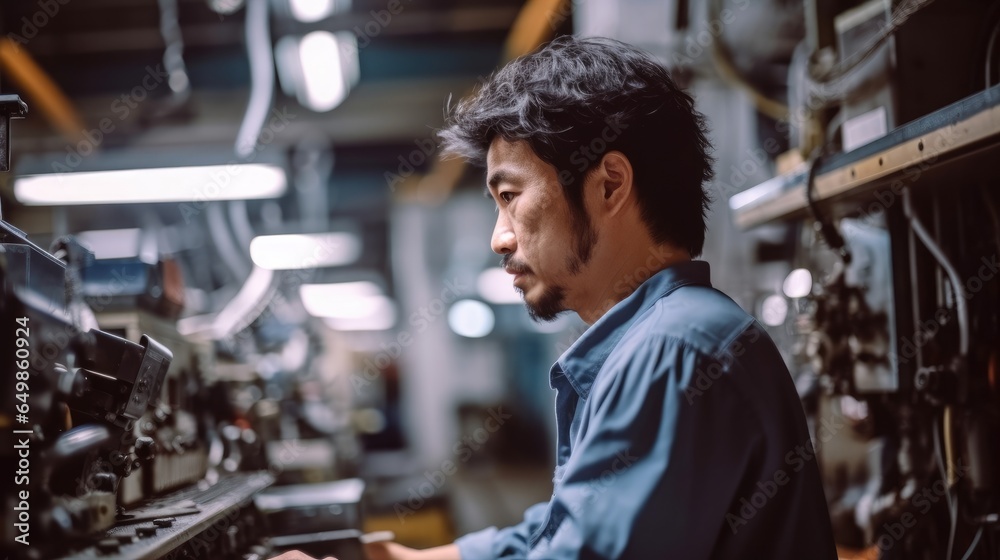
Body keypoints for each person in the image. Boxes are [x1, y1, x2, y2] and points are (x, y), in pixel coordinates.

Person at [278, 34, 838, 560]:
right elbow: (565, 529)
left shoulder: (673, 352)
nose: (499, 237)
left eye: (511, 196)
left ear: (610, 185)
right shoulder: (663, 339)